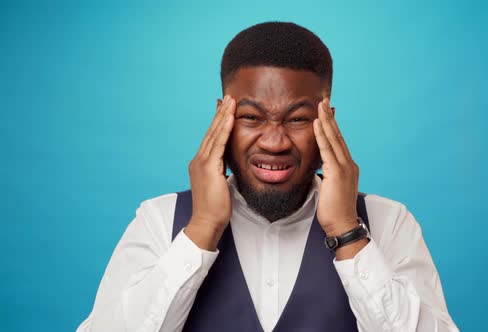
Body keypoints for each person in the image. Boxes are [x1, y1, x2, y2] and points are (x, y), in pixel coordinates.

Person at [77, 22, 459, 332]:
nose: (274, 142)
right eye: (251, 117)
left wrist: (347, 230)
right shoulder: (161, 220)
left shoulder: (387, 223)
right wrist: (202, 229)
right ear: (220, 118)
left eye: (297, 119)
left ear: (328, 121)